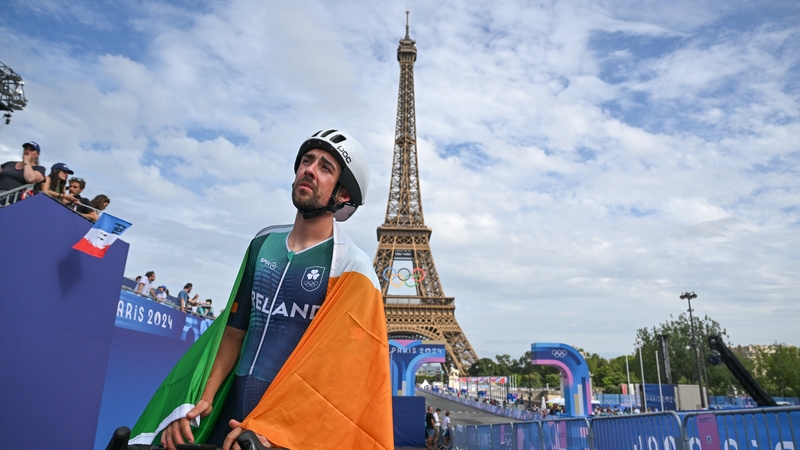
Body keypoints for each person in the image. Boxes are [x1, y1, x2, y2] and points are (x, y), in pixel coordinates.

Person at [154, 129, 391, 450]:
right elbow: (233, 334)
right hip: (230, 406)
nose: (310, 169)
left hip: (284, 429)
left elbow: (342, 376)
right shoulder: (262, 244)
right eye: (307, 160)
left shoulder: (353, 268)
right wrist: (202, 399)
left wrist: (277, 434)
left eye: (325, 167)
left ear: (344, 194)